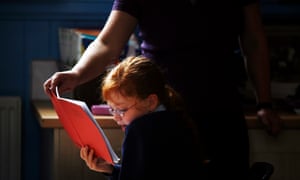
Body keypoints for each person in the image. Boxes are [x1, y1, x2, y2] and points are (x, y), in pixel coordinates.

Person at [44, 0, 283, 179]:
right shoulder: (146, 125)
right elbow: (107, 43)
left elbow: (254, 39)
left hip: (220, 110)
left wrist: (265, 102)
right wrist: (76, 74)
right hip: (158, 115)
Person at [80, 55, 205, 179]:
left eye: (121, 110)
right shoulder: (177, 118)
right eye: (112, 109)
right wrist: (111, 170)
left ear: (150, 102)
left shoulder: (140, 130)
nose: (116, 117)